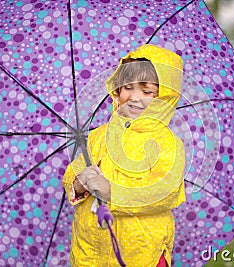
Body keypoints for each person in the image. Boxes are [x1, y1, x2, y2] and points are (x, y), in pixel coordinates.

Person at [62, 44, 186, 267]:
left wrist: (112, 192)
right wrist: (78, 184)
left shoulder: (167, 143)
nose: (135, 97)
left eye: (147, 91)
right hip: (90, 248)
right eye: (128, 88)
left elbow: (162, 191)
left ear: (164, 97)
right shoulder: (99, 136)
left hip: (142, 250)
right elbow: (74, 170)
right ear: (117, 91)